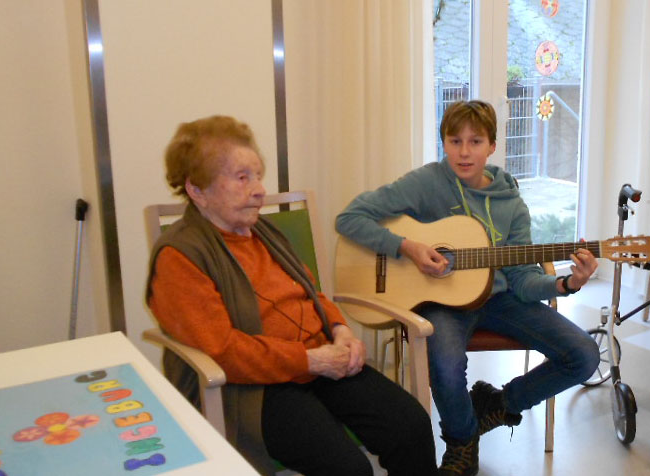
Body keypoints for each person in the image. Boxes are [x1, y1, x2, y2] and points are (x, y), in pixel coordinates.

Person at [146, 115, 438, 476]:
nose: (259, 190)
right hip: (252, 388)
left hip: (318, 362)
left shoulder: (263, 231)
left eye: (257, 176)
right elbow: (223, 351)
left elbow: (311, 293)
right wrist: (311, 360)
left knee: (410, 426)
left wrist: (340, 330)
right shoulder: (180, 255)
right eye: (242, 178)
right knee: (347, 468)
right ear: (197, 190)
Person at [335, 100, 600, 476]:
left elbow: (523, 279)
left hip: (500, 299)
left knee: (585, 355)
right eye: (454, 140)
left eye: (475, 141)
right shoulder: (427, 183)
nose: (463, 151)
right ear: (443, 142)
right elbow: (349, 218)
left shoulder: (511, 205)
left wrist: (567, 282)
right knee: (445, 362)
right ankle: (461, 443)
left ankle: (496, 402)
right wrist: (407, 247)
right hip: (441, 301)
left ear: (492, 146)